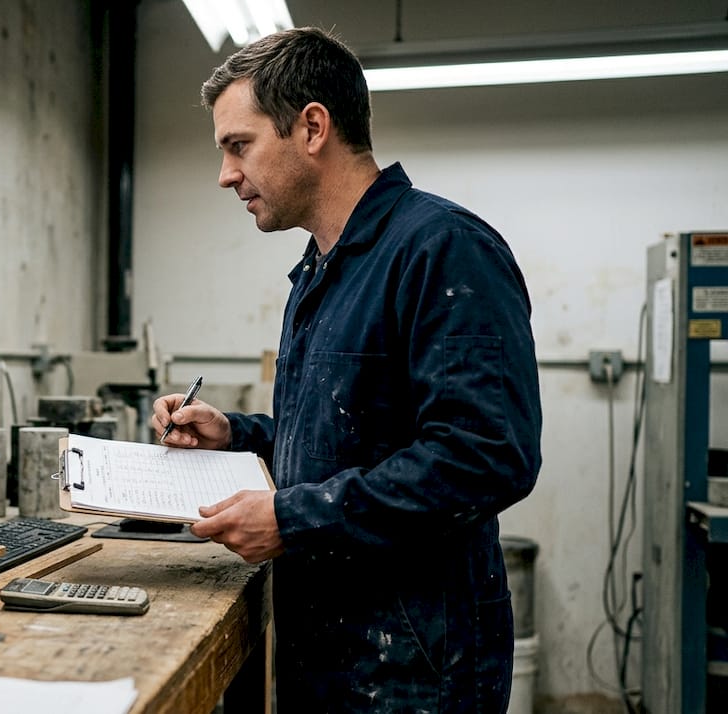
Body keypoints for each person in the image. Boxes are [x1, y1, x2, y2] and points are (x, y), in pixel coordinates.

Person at [152, 27, 542, 712]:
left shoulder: (442, 248)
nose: (225, 175)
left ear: (311, 127)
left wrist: (292, 520)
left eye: (238, 146)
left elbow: (485, 457)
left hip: (415, 671)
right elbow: (349, 440)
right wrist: (236, 434)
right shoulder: (321, 271)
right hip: (329, 655)